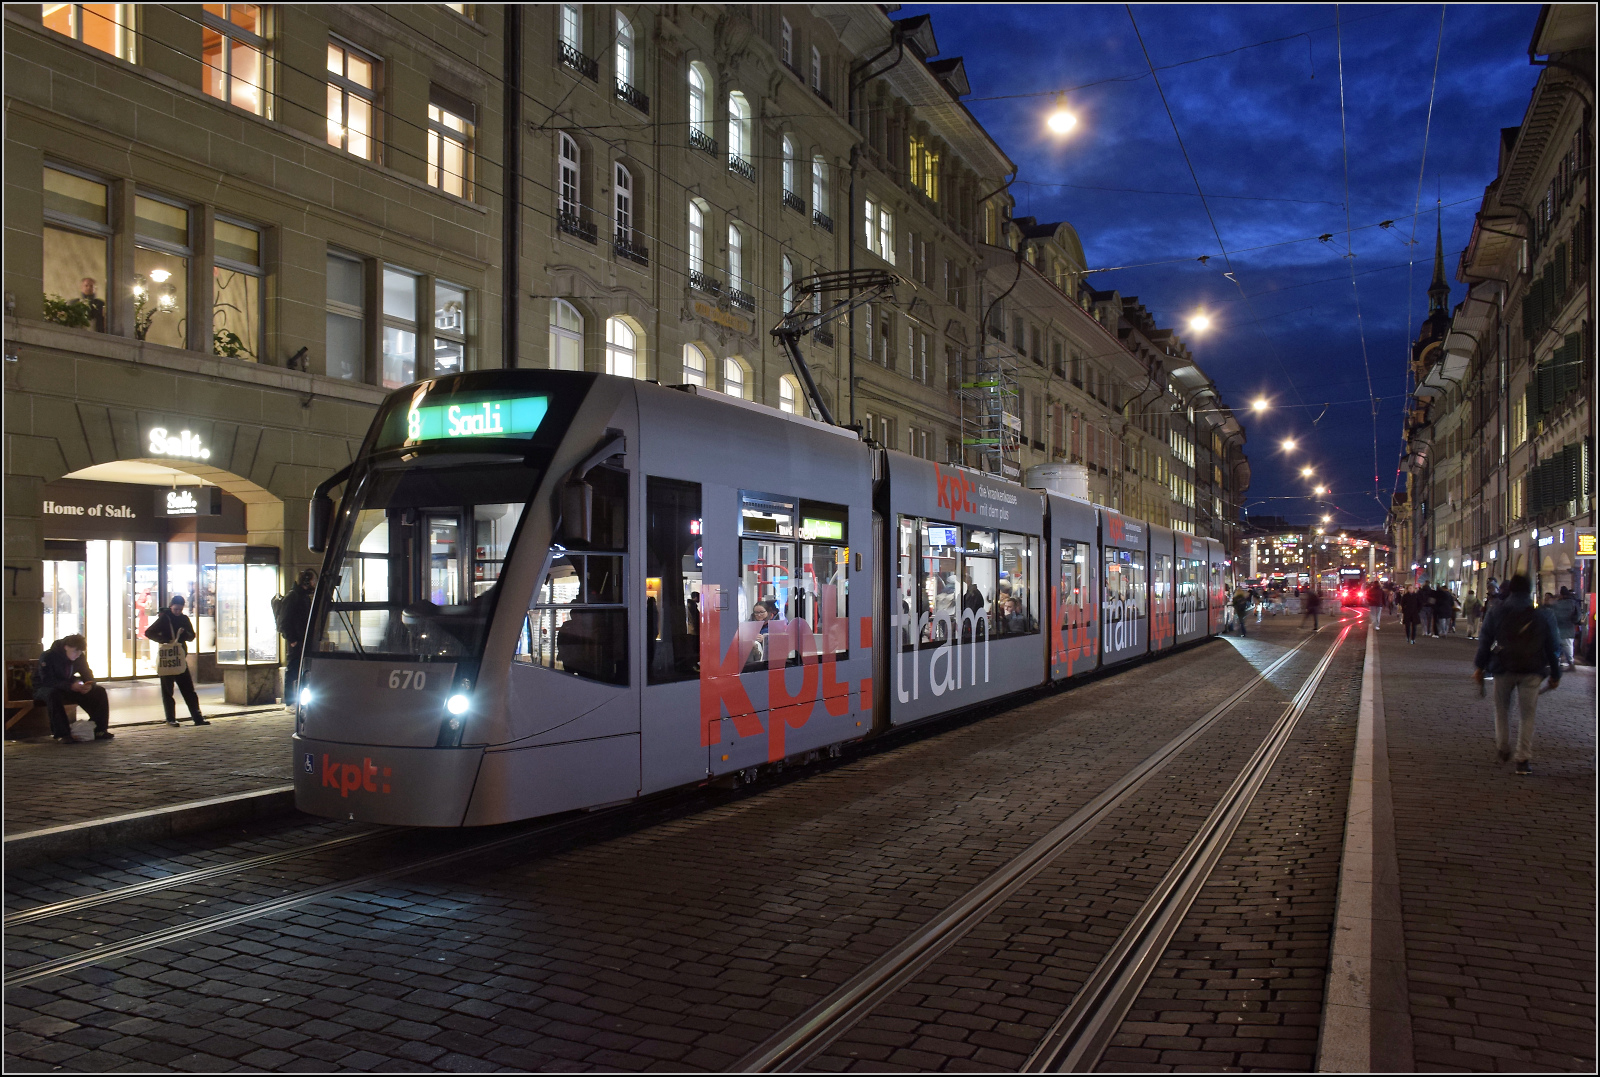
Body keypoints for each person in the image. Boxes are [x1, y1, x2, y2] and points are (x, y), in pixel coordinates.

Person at [1473, 574, 1560, 775]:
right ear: (1530, 590)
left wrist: (1480, 666)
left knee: (1502, 710)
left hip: (1503, 667)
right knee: (1527, 714)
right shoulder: (1543, 615)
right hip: (1532, 670)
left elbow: (1485, 641)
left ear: (1510, 589)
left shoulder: (1497, 612)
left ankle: (1503, 747)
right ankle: (1523, 759)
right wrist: (1555, 674)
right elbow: (1553, 647)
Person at [35, 634, 112, 743]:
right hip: (45, 688)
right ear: (66, 647)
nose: (78, 655)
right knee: (53, 695)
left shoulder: (79, 656)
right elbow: (47, 680)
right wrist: (70, 686)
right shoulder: (48, 656)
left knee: (99, 691)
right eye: (75, 651)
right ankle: (62, 733)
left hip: (67, 687)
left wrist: (89, 684)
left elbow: (86, 672)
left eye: (80, 652)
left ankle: (100, 729)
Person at [144, 595, 209, 726]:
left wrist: (184, 634)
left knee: (188, 689)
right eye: (175, 609)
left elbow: (192, 635)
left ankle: (197, 717)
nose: (178, 612)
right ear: (171, 607)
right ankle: (171, 718)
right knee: (168, 690)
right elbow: (149, 632)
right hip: (168, 658)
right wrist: (165, 640)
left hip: (179, 658)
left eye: (180, 609)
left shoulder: (184, 619)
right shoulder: (164, 618)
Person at [279, 568, 316, 701]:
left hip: (303, 640)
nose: (313, 584)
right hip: (297, 641)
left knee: (302, 671)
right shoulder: (293, 597)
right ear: (306, 581)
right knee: (293, 669)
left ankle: (300, 699)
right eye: (312, 581)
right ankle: (289, 702)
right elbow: (284, 622)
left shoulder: (303, 597)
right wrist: (292, 639)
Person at [1551, 587, 1578, 671]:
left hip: (1557, 629)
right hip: (1569, 629)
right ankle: (1571, 664)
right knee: (1568, 647)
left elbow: (1552, 615)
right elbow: (1577, 617)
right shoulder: (1573, 603)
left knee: (1556, 648)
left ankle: (1557, 664)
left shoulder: (1556, 604)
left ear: (1561, 594)